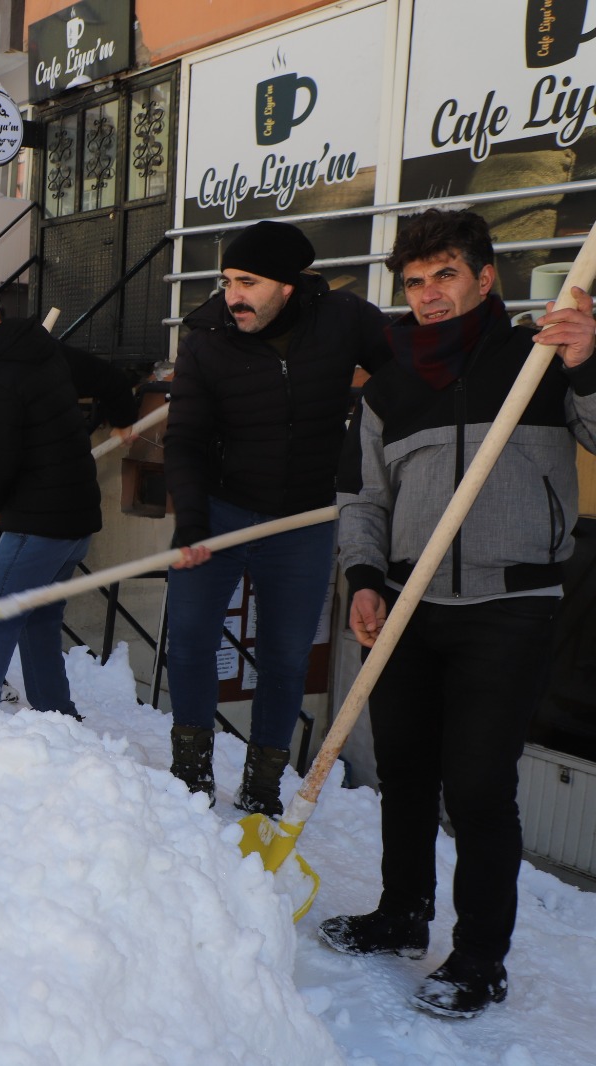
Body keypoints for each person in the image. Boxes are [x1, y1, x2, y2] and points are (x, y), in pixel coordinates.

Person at [321, 209, 596, 1019]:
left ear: (485, 278)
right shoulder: (390, 384)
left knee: (477, 786)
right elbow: (362, 496)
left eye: (446, 274)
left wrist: (586, 362)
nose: (430, 294)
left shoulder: (538, 356)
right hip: (408, 601)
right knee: (403, 770)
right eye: (415, 280)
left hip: (510, 603)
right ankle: (402, 913)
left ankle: (479, 957)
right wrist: (365, 578)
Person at [162, 220, 391, 814]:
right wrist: (190, 521)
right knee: (188, 643)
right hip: (218, 507)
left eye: (248, 282)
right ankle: (190, 773)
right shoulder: (206, 339)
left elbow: (405, 367)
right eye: (228, 280)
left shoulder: (343, 319)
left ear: (289, 286)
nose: (232, 295)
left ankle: (262, 784)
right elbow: (183, 439)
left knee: (288, 654)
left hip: (303, 519)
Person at [0, 277, 136, 715]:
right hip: (77, 522)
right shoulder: (41, 348)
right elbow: (109, 378)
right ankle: (56, 717)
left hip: (38, 522)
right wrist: (123, 418)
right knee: (38, 620)